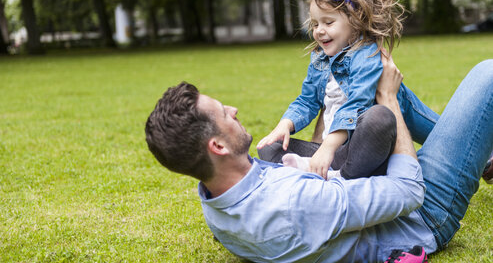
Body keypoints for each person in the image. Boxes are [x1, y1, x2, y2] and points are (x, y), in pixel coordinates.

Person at [145, 56, 493, 262]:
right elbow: (407, 191)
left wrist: (328, 135)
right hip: (421, 213)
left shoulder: (215, 202)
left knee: (360, 83)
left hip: (355, 191)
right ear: (217, 147)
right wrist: (388, 98)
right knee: (486, 74)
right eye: (224, 113)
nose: (233, 109)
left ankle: (481, 151)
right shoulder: (298, 202)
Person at [256, 0, 439, 180]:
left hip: (365, 153)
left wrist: (327, 147)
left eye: (328, 22)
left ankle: (338, 180)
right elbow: (306, 101)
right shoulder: (320, 59)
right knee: (270, 147)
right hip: (336, 154)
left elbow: (357, 104)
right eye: (315, 24)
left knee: (379, 118)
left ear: (356, 20)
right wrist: (285, 124)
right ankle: (331, 175)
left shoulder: (367, 54)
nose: (318, 30)